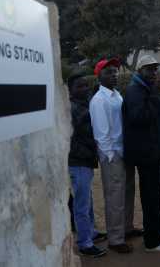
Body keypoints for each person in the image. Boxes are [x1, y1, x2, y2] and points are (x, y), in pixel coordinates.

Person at [123, 55, 160, 253]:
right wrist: (155, 96)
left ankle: (156, 231)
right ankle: (152, 242)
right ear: (139, 71)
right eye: (149, 69)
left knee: (153, 194)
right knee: (151, 196)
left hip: (152, 151)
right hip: (146, 154)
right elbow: (139, 117)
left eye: (155, 69)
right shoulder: (136, 90)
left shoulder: (145, 88)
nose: (153, 73)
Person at [89, 59, 135, 254]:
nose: (114, 75)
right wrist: (110, 156)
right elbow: (101, 134)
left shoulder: (117, 95)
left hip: (125, 151)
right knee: (115, 197)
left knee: (127, 192)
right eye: (108, 72)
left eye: (115, 71)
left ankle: (127, 228)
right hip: (113, 155)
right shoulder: (99, 100)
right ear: (99, 76)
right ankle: (115, 239)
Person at [68, 74, 107, 257]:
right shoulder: (72, 108)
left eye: (86, 86)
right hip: (77, 160)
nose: (84, 89)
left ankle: (90, 232)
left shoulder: (85, 104)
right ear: (70, 90)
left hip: (85, 160)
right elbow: (84, 132)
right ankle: (84, 243)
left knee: (87, 199)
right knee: (81, 203)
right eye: (79, 86)